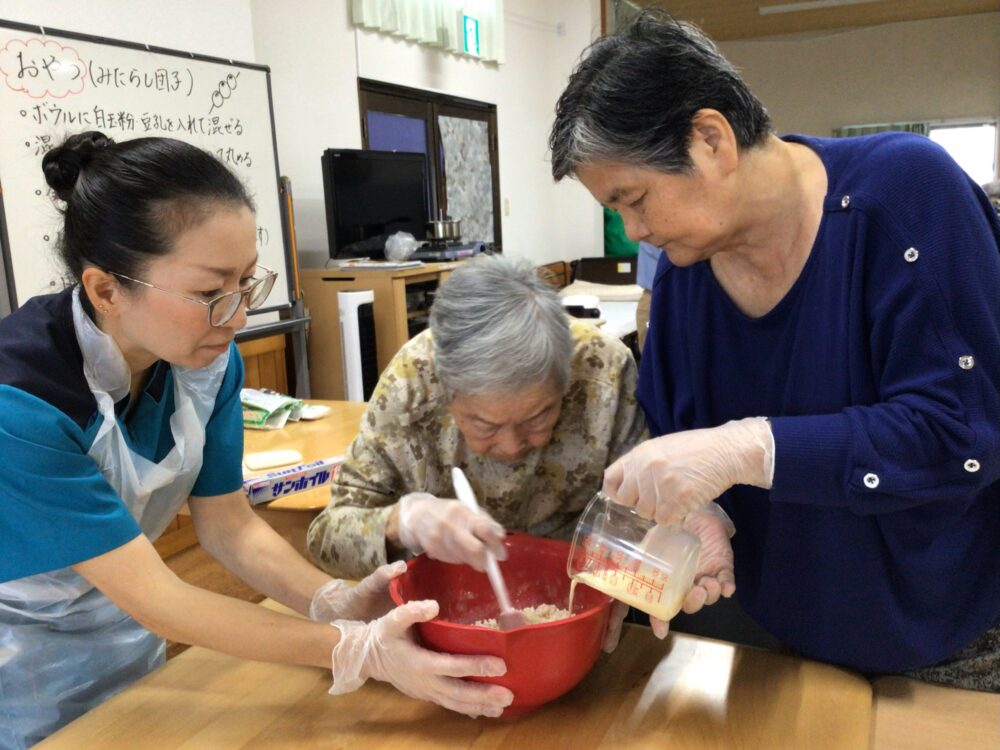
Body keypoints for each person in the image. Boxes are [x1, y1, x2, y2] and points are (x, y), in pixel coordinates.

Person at [0, 132, 512, 749]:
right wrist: (354, 650)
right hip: (20, 667)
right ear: (106, 290)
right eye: (209, 293)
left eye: (246, 282)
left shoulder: (204, 363)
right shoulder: (20, 404)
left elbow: (228, 525)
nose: (239, 316)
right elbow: (158, 598)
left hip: (127, 636)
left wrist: (330, 601)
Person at [549, 11, 1000, 691]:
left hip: (950, 637)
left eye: (634, 199)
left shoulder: (903, 196)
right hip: (784, 639)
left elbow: (962, 431)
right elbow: (679, 431)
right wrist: (704, 516)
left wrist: (748, 447)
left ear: (710, 139)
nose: (633, 230)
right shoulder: (685, 276)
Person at [307, 254, 736, 650]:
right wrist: (402, 522)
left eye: (538, 417)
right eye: (484, 425)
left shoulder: (601, 370)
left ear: (565, 380)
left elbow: (647, 508)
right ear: (447, 390)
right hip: (441, 618)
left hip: (579, 611)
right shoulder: (411, 383)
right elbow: (326, 538)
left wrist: (685, 522)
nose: (511, 446)